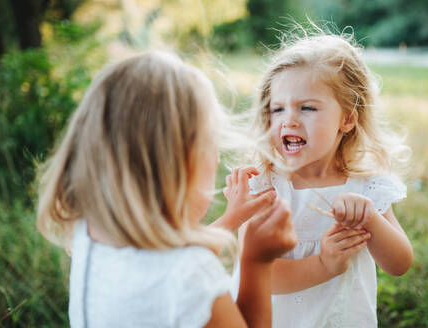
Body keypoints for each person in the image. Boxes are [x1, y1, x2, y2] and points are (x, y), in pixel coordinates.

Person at [36, 51, 297, 327]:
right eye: (210, 146)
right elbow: (179, 272)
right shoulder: (193, 278)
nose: (218, 158)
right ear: (175, 166)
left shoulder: (90, 232)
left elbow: (156, 266)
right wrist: (255, 261)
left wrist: (231, 219)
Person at [232, 27, 414, 327]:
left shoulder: (368, 185)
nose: (288, 119)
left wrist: (370, 219)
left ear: (347, 119)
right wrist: (323, 264)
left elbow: (399, 264)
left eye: (307, 108)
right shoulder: (267, 187)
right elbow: (257, 273)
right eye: (277, 109)